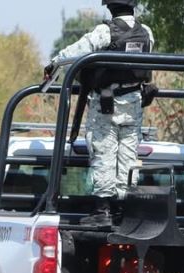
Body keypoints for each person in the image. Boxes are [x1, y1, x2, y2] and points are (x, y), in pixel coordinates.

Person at [44, 0, 154, 226]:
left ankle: (102, 211)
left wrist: (53, 64)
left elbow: (76, 51)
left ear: (110, 8)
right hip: (134, 103)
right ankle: (123, 209)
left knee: (104, 153)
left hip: (107, 105)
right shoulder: (147, 33)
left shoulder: (105, 31)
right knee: (128, 156)